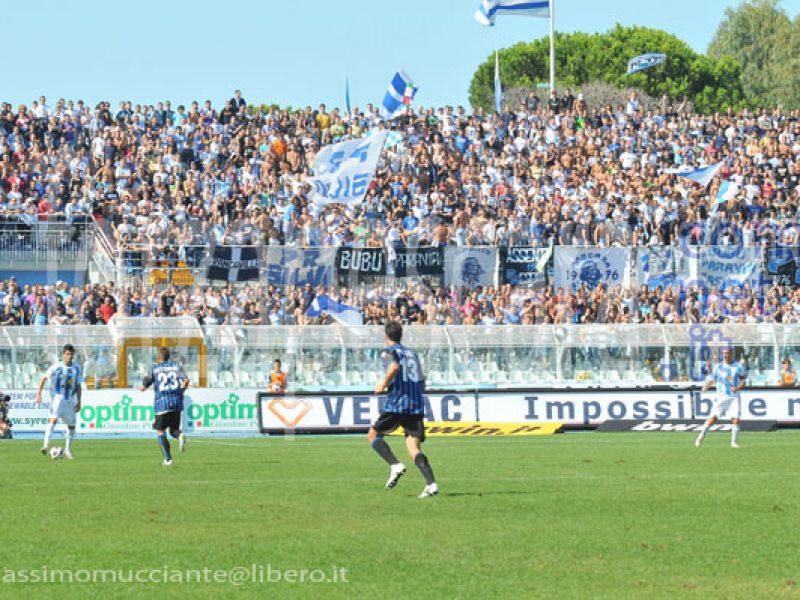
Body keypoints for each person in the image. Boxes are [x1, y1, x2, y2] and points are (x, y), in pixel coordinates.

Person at [368, 321, 438, 499]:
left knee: (373, 435)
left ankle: (394, 465)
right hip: (415, 403)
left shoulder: (388, 351)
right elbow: (422, 380)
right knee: (413, 447)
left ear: (386, 336)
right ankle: (431, 484)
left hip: (398, 403)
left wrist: (382, 385)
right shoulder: (412, 353)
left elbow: (394, 367)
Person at [140, 347, 189, 466]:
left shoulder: (155, 369)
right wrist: (181, 391)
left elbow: (144, 385)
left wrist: (143, 387)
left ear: (158, 357)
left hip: (162, 403)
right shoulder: (177, 367)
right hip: (177, 402)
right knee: (174, 430)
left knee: (160, 431)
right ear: (169, 356)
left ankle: (168, 459)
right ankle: (180, 435)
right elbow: (186, 380)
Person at [35, 344, 83, 458]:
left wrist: (79, 402)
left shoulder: (77, 368)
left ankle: (68, 450)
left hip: (70, 402)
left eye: (71, 354)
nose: (69, 356)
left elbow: (78, 385)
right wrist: (39, 393)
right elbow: (43, 379)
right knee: (52, 421)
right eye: (67, 354)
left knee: (72, 427)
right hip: (57, 400)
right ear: (63, 355)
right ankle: (45, 446)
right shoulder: (56, 367)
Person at [695, 348, 746, 449]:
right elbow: (712, 379)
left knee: (736, 419)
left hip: (734, 397)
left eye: (727, 354)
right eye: (724, 354)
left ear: (731, 354)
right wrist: (706, 387)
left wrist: (736, 388)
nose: (725, 356)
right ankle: (700, 436)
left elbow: (743, 382)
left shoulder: (738, 367)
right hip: (721, 396)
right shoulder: (718, 367)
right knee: (713, 419)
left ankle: (734, 443)